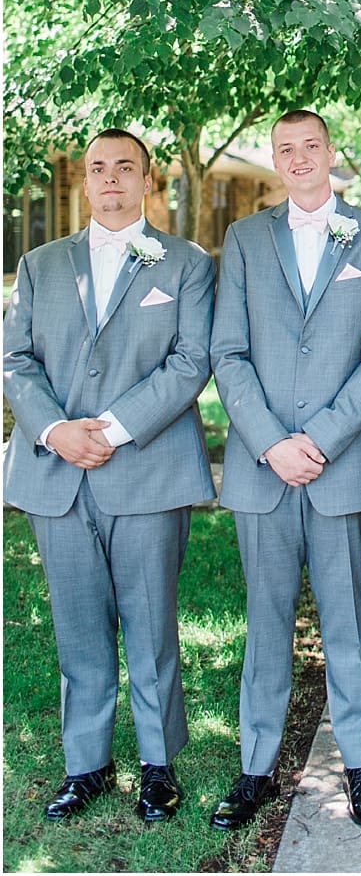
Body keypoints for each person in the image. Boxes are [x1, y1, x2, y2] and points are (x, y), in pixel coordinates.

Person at [3, 129, 215, 823]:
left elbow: (190, 360)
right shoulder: (39, 265)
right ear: (83, 182)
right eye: (98, 169)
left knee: (150, 621)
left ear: (148, 179)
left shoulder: (185, 263)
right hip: (56, 472)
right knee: (77, 625)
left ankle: (158, 765)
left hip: (147, 468)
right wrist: (55, 429)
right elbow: (16, 360)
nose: (111, 179)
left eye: (125, 167)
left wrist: (115, 428)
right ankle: (86, 764)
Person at [209, 108, 361, 831]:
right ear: (274, 158)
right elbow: (227, 350)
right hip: (263, 466)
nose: (297, 157)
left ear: (330, 152)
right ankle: (255, 767)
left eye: (309, 145)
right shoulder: (245, 237)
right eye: (284, 148)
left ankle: (358, 763)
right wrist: (269, 441)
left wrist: (316, 438)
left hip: (338, 462)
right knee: (265, 621)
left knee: (346, 620)